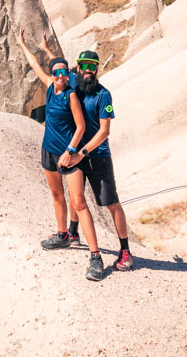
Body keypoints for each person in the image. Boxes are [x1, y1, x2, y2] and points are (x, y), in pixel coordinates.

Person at [16, 31, 105, 281]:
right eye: (57, 73)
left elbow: (81, 128)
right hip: (48, 152)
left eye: (64, 73)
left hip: (70, 156)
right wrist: (27, 44)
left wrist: (70, 152)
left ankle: (96, 256)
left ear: (69, 75)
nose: (61, 76)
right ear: (52, 75)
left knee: (79, 202)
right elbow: (35, 64)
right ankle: (64, 234)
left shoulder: (72, 93)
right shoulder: (48, 87)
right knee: (57, 195)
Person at [40, 41, 133, 272]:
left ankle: (125, 250)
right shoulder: (75, 85)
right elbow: (58, 69)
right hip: (77, 155)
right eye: (84, 65)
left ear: (97, 68)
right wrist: (46, 50)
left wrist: (80, 153)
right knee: (76, 199)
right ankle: (72, 233)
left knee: (111, 204)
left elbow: (104, 132)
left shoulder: (103, 95)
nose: (88, 69)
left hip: (96, 156)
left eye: (93, 65)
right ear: (78, 69)